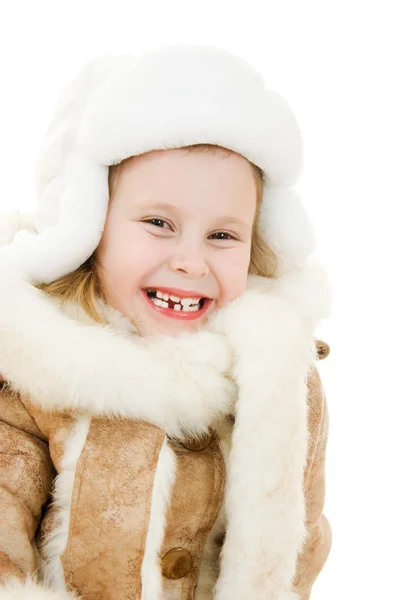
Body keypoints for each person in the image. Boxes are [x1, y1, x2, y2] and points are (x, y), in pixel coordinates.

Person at [0, 44, 333, 600]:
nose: (191, 261)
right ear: (90, 228)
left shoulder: (279, 375)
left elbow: (303, 536)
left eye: (223, 236)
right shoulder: (35, 375)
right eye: (158, 223)